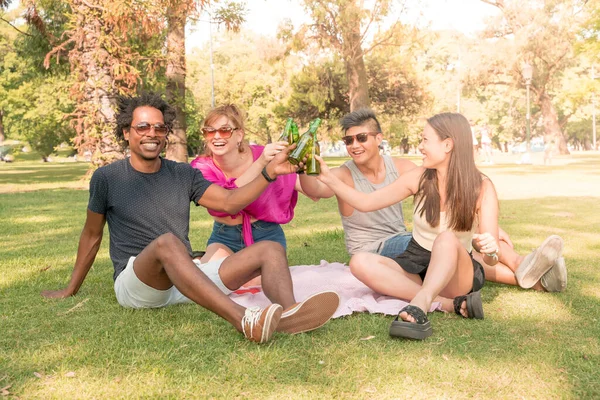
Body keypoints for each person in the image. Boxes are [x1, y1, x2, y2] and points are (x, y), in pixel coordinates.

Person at [41, 93, 339, 344]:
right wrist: (71, 288)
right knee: (168, 243)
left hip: (181, 283)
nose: (151, 133)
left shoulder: (183, 174)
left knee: (270, 249)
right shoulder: (107, 178)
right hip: (138, 284)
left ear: (166, 133)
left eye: (159, 128)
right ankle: (244, 320)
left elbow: (230, 200)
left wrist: (269, 172)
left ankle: (290, 314)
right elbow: (91, 235)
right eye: (142, 126)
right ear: (126, 132)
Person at [299, 109, 566, 294]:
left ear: (378, 139)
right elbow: (319, 191)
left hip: (404, 240)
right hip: (380, 247)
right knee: (444, 241)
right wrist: (304, 167)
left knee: (453, 242)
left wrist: (487, 230)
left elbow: (443, 183)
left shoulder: (402, 166)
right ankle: (525, 267)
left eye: (360, 137)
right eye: (348, 140)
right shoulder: (344, 173)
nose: (353, 145)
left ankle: (531, 273)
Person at [312, 112, 500, 340]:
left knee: (446, 238)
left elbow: (491, 260)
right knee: (359, 262)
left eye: (425, 140)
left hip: (456, 276)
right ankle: (449, 305)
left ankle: (421, 303)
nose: (420, 147)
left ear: (448, 144)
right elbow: (366, 202)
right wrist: (328, 178)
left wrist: (490, 250)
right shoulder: (419, 177)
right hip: (417, 263)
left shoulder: (482, 187)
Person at [189, 105, 310, 267]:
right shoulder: (201, 166)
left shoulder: (264, 154)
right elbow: (226, 200)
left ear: (239, 135)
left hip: (266, 234)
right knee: (214, 277)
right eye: (209, 131)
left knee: (261, 282)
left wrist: (306, 166)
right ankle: (202, 262)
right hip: (225, 236)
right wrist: (261, 164)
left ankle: (201, 262)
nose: (216, 136)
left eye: (224, 130)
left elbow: (312, 190)